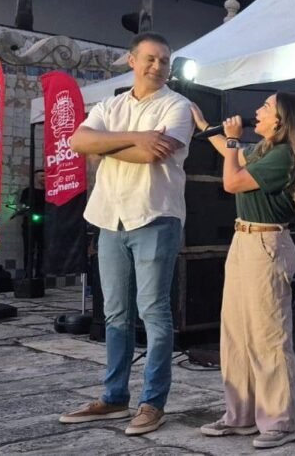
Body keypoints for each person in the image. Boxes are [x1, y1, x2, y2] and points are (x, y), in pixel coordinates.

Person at [60, 32, 193, 435]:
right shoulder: (110, 105)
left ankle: (153, 402)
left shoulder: (177, 106)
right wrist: (135, 136)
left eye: (165, 60)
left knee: (154, 311)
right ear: (132, 61)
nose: (158, 66)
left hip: (155, 216)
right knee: (115, 313)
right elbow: (77, 140)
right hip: (110, 218)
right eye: (150, 58)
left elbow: (152, 154)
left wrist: (104, 146)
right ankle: (114, 397)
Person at [192, 92, 295, 449]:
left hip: (266, 243)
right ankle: (240, 415)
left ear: (281, 120)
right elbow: (234, 157)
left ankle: (279, 422)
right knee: (236, 333)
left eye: (266, 107)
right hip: (244, 240)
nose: (257, 111)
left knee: (267, 336)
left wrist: (232, 140)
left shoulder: (285, 155)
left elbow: (232, 181)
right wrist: (207, 127)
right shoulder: (264, 150)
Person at [17, 169, 46, 275]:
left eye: (45, 176)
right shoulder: (27, 191)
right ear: (35, 178)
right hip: (29, 225)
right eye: (41, 176)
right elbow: (22, 206)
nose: (44, 178)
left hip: (44, 225)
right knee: (29, 250)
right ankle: (27, 274)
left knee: (42, 251)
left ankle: (40, 274)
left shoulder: (48, 192)